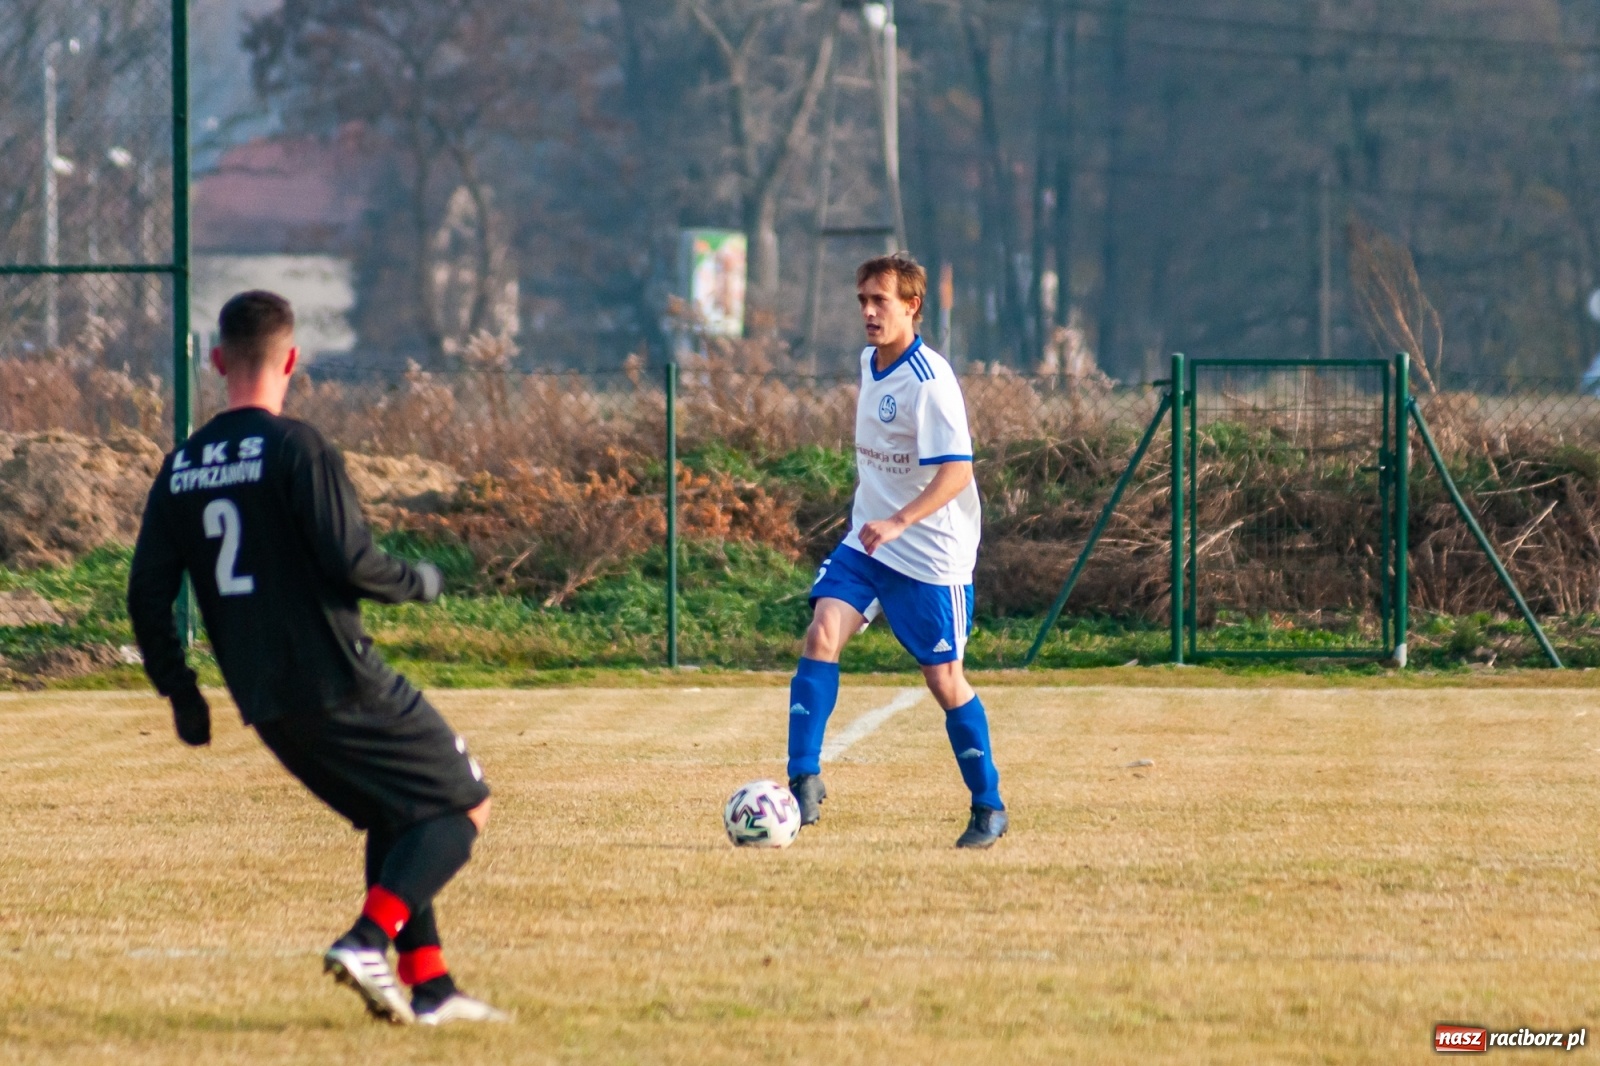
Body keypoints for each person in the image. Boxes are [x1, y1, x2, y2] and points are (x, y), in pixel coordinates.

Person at [127, 291, 505, 1025]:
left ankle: (430, 987)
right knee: (464, 803)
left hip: (266, 701)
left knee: (399, 812)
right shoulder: (297, 447)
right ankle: (366, 941)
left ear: (216, 361)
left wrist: (183, 693)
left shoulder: (180, 469)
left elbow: (147, 595)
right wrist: (421, 581)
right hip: (337, 676)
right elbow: (350, 562)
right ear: (292, 359)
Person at [785, 254, 1007, 848]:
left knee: (944, 680)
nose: (868, 311)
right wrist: (878, 521)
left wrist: (900, 520)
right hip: (868, 542)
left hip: (930, 555)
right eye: (862, 300)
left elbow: (957, 472)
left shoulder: (931, 382)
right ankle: (802, 779)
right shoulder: (870, 362)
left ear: (912, 306)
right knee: (821, 633)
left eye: (880, 300)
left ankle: (988, 805)